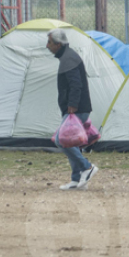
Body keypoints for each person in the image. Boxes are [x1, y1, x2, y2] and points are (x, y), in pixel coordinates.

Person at [46, 28, 98, 190]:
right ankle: (76, 180)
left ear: (58, 44)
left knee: (61, 140)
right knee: (71, 141)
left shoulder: (68, 59)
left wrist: (72, 105)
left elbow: (76, 84)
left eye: (49, 42)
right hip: (76, 109)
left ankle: (87, 167)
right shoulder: (67, 57)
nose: (47, 46)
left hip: (77, 109)